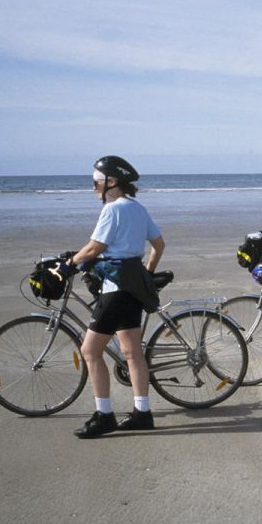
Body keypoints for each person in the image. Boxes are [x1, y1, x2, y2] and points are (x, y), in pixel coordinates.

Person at [59, 155, 165, 437]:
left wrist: (67, 266)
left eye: (96, 183)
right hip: (133, 288)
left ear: (112, 182)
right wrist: (146, 272)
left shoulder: (112, 209)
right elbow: (158, 244)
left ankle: (104, 415)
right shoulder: (138, 208)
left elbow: (94, 248)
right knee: (132, 353)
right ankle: (142, 412)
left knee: (90, 350)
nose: (93, 188)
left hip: (115, 289)